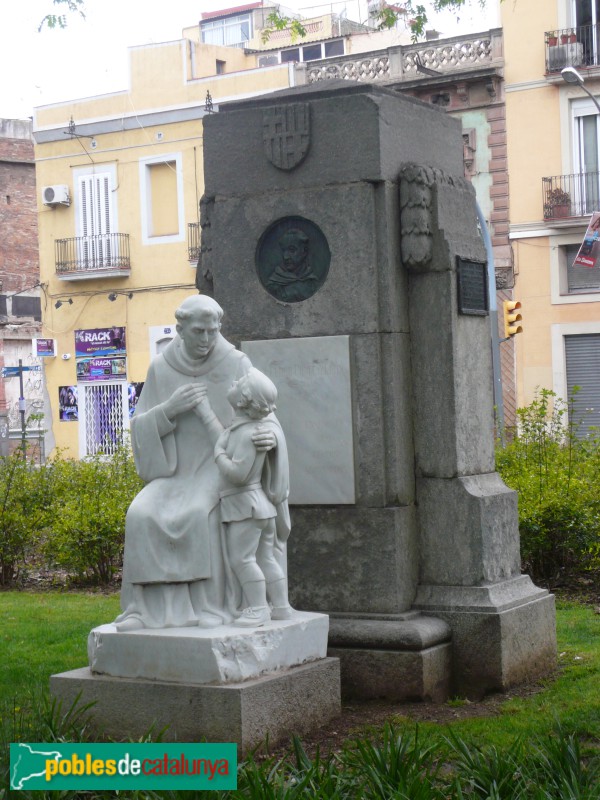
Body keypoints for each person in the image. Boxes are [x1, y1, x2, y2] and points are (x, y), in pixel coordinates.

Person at [115, 295, 276, 631]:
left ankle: (209, 607)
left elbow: (268, 413)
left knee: (195, 512)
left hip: (220, 465)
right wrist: (169, 409)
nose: (206, 340)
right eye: (199, 331)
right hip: (174, 469)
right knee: (140, 513)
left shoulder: (236, 363)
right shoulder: (161, 367)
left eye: (212, 332)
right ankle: (143, 610)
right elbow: (141, 424)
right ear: (180, 330)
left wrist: (270, 438)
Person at [196, 368, 292, 628]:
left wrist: (218, 453)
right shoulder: (249, 430)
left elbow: (238, 474)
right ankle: (281, 607)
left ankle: (259, 608)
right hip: (260, 507)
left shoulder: (246, 434)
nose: (234, 380)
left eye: (241, 383)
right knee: (266, 558)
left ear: (242, 401)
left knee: (242, 559)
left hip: (244, 505)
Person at [265, 228, 320, 303]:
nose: (286, 257)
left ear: (304, 252)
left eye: (292, 250)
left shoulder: (312, 282)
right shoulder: (273, 285)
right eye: (284, 250)